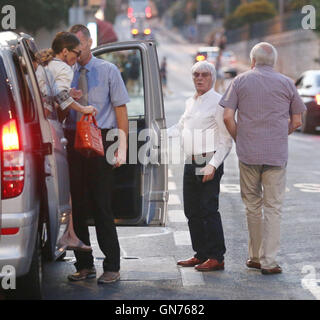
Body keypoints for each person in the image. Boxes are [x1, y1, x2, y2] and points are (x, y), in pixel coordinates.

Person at [221, 42, 306, 275]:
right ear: (275, 62)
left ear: (252, 60)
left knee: (252, 206)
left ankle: (254, 257)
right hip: (276, 155)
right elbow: (297, 121)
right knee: (274, 207)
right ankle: (269, 262)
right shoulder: (287, 83)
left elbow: (228, 117)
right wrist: (280, 135)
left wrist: (242, 139)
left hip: (248, 154)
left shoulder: (239, 81)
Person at [65, 24, 129, 284]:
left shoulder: (108, 70)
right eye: (72, 47)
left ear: (89, 42)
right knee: (77, 207)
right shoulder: (64, 72)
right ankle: (84, 265)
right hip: (73, 140)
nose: (76, 51)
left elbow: (121, 112)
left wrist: (120, 148)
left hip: (101, 140)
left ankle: (111, 265)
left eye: (79, 45)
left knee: (102, 206)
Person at [167, 61, 232, 271]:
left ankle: (216, 257)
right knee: (192, 210)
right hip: (191, 160)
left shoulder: (218, 102)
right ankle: (200, 254)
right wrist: (156, 134)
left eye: (204, 74)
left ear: (212, 78)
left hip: (208, 160)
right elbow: (181, 126)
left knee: (208, 209)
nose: (199, 78)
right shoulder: (190, 102)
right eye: (196, 74)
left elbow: (226, 140)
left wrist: (213, 165)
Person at [35, 32, 97, 252]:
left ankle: (67, 234)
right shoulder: (63, 67)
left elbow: (52, 93)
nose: (77, 58)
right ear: (65, 51)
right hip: (52, 129)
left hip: (41, 126)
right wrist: (83, 108)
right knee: (66, 187)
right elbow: (61, 98)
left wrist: (69, 94)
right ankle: (68, 236)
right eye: (76, 53)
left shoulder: (46, 65)